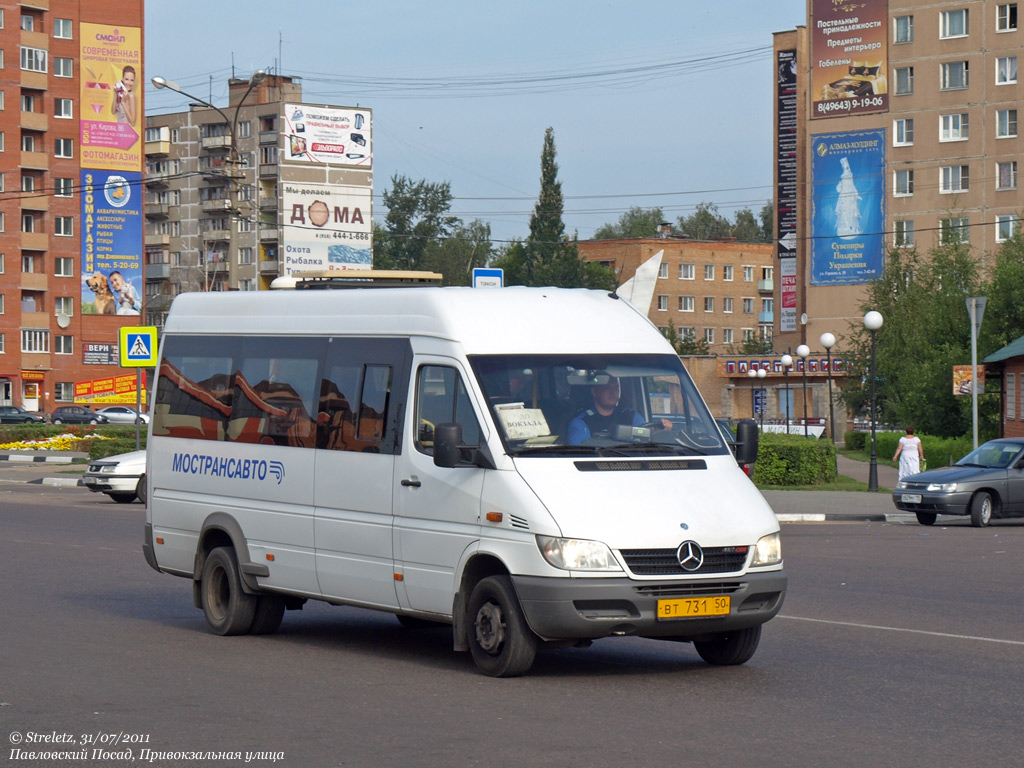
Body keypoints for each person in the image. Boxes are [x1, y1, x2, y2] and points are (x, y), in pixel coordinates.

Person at [566, 375, 670, 445]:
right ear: (595, 392)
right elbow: (583, 455)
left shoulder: (631, 416)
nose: (613, 392)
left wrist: (659, 431)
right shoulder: (581, 422)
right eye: (608, 387)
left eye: (616, 387)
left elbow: (646, 438)